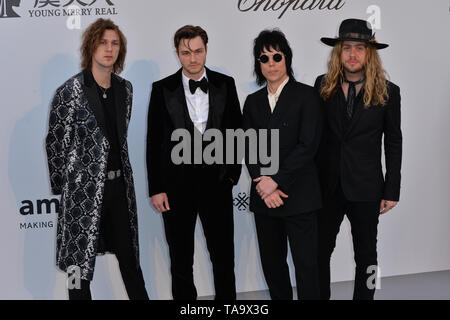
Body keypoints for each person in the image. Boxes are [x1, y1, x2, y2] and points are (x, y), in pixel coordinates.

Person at [45, 18, 148, 300]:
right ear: (91, 46)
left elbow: (119, 137)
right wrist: (66, 186)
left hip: (119, 190)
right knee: (78, 268)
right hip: (82, 194)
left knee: (131, 261)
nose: (109, 49)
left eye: (115, 44)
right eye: (103, 42)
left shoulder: (125, 89)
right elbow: (55, 142)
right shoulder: (70, 91)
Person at [146, 25, 242, 300]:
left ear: (206, 50)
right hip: (176, 188)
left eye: (198, 51)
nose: (193, 58)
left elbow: (237, 131)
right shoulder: (162, 88)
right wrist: (156, 188)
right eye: (186, 52)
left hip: (217, 185)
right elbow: (153, 142)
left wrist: (232, 176)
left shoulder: (226, 83)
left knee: (224, 258)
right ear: (177, 53)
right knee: (180, 260)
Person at [314, 18, 402, 300]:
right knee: (318, 251)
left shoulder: (389, 92)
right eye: (347, 47)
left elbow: (394, 141)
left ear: (369, 53)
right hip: (327, 186)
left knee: (367, 254)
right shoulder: (322, 85)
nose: (352, 54)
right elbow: (314, 138)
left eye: (360, 48)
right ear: (338, 52)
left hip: (366, 187)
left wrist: (392, 188)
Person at [242, 29, 322, 300]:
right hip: (265, 197)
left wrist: (274, 180)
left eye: (277, 56)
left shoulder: (307, 96)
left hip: (299, 195)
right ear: (258, 64)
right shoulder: (252, 102)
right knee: (273, 267)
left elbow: (308, 145)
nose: (271, 63)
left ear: (286, 58)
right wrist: (264, 185)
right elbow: (248, 146)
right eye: (264, 58)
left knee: (307, 267)